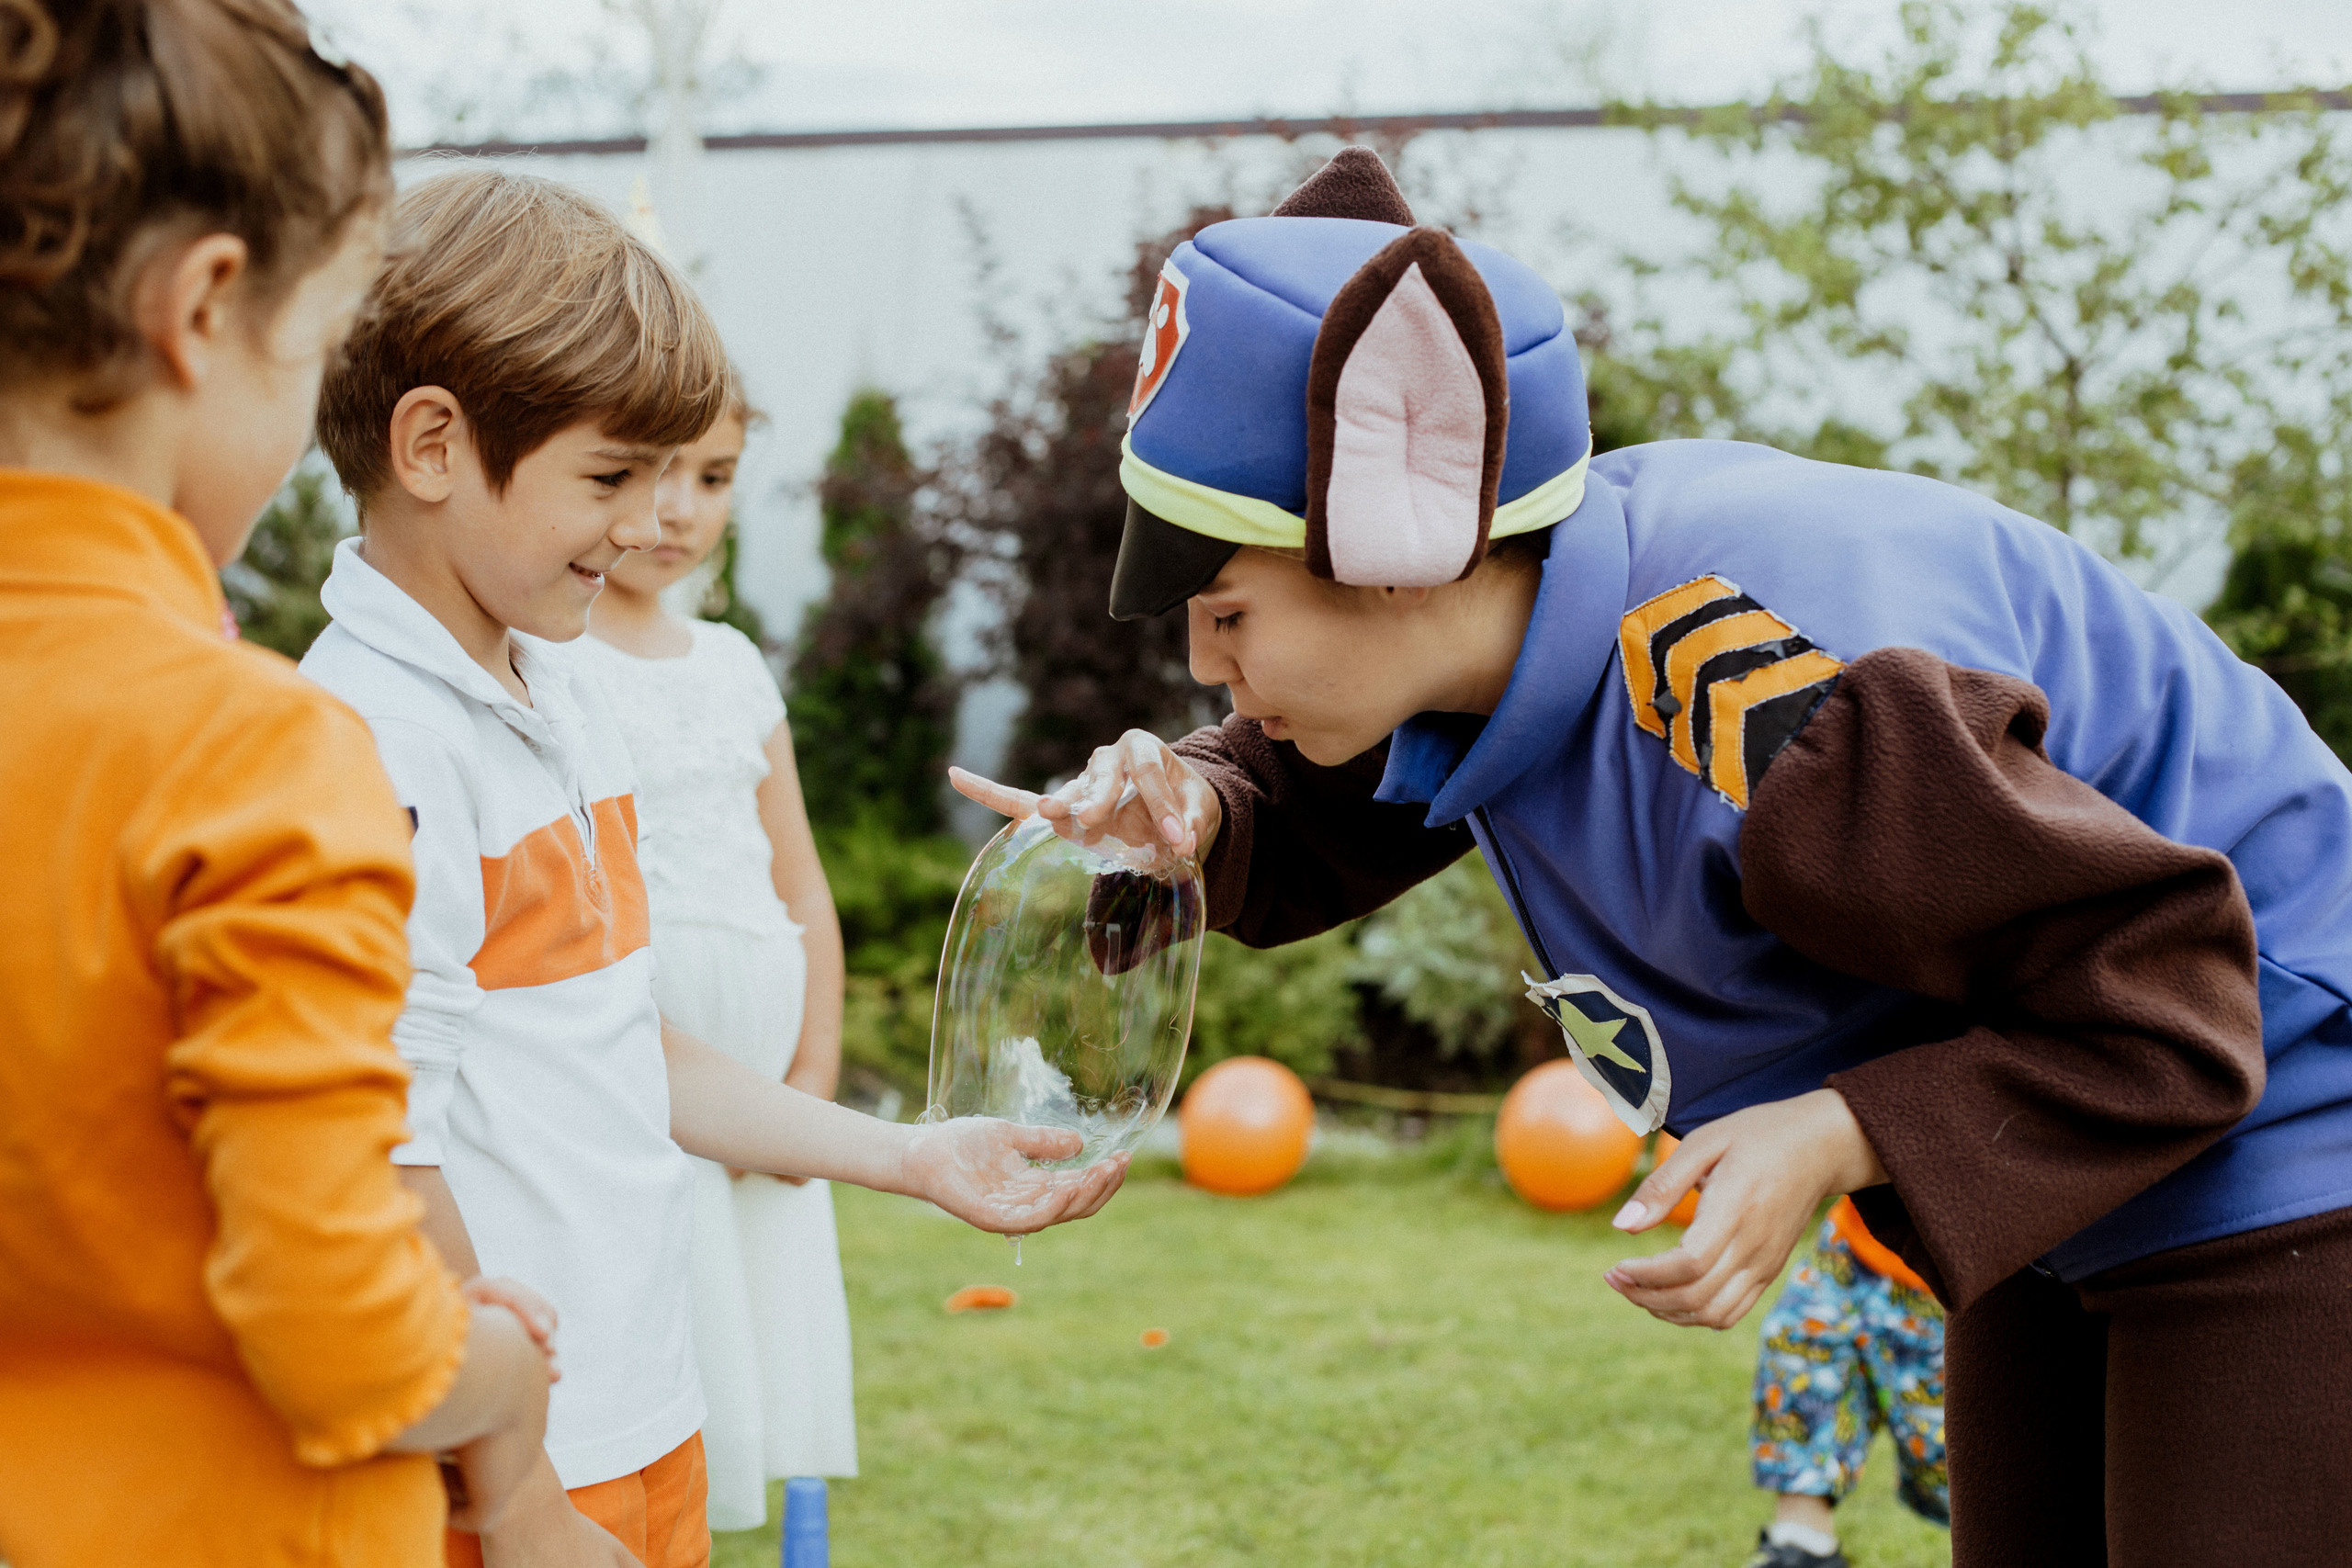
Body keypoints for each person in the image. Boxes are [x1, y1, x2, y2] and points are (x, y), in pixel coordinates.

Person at [952, 147, 2352, 1567]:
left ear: (1401, 535)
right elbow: (1335, 796)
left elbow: (2176, 1000)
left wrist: (1836, 1129)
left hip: (2290, 1127)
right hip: (2070, 1163)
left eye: (1229, 613)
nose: (1201, 665)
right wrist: (1190, 815)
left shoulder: (1766, 706)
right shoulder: (1502, 636)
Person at [300, 165, 1124, 1568]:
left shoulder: (559, 695)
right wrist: (514, 1494)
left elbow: (631, 1047)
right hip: (487, 1482)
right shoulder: (369, 744)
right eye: (610, 476)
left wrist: (908, 1155)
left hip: (633, 1412)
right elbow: (377, 1145)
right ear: (432, 444)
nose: (644, 526)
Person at [0, 2, 560, 1562]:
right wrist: (504, 1392)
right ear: (204, 310)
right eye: (310, 355)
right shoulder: (248, 743)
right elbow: (336, 1329)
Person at [580, 383, 861, 1529]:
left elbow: (797, 876)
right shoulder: (559, 657)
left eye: (713, 478)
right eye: (651, 474)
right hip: (653, 1080)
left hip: (770, 1086)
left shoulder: (736, 663)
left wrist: (815, 1074)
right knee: (684, 1318)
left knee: (777, 1320)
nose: (680, 508)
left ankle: (791, 1532)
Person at [1745, 1198, 1947, 1568]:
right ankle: (1803, 1543)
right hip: (1855, 1245)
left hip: (1960, 1280)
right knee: (1798, 1348)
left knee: (1954, 1456)